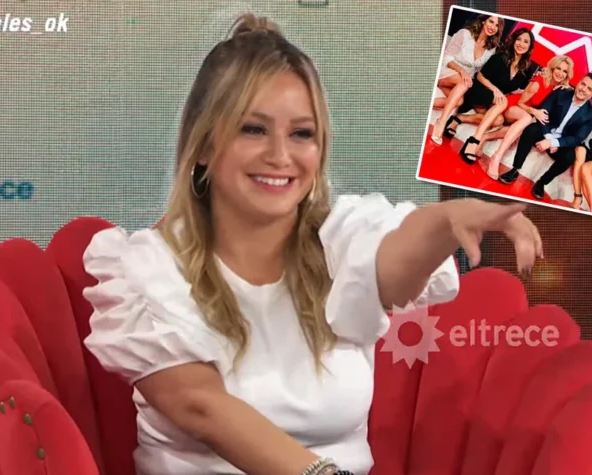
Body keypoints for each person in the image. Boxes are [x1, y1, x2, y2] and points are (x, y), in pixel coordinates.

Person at [81, 13, 543, 475]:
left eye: (302, 134)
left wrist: (445, 219)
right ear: (203, 145)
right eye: (253, 129)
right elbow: (200, 407)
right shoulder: (148, 265)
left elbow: (393, 264)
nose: (280, 156)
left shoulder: (340, 236)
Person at [430, 28, 536, 156]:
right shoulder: (500, 57)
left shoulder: (526, 70)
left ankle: (459, 118)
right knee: (502, 103)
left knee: (499, 121)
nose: (521, 44)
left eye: (526, 41)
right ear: (513, 41)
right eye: (519, 39)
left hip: (493, 100)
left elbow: (522, 89)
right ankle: (475, 140)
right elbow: (480, 76)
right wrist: (496, 90)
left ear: (530, 47)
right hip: (479, 89)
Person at [498, 73, 592, 200]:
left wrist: (554, 143)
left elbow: (578, 138)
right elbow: (543, 112)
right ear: (578, 82)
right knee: (531, 129)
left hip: (561, 143)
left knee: (570, 157)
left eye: (589, 89)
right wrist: (548, 138)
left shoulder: (591, 114)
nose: (583, 89)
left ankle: (542, 182)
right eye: (583, 84)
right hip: (545, 131)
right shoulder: (561, 92)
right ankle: (515, 169)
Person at [480, 54, 575, 179]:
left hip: (524, 116)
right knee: (527, 119)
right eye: (558, 68)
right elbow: (520, 102)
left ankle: (485, 137)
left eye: (564, 71)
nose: (560, 73)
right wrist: (534, 112)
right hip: (513, 106)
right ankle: (497, 156)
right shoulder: (539, 82)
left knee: (522, 127)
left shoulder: (559, 88)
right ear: (552, 68)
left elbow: (578, 97)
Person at [433, 14, 504, 110]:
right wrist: (462, 72)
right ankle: (442, 119)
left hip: (465, 80)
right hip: (448, 70)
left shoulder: (491, 48)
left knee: (459, 101)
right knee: (464, 82)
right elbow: (447, 57)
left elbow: (478, 70)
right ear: (483, 21)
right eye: (491, 22)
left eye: (497, 25)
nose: (493, 27)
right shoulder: (464, 34)